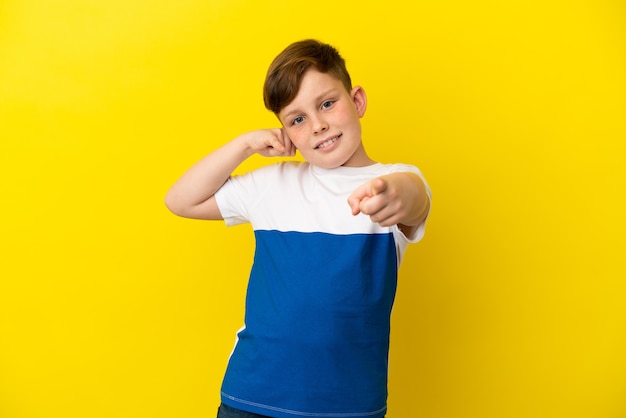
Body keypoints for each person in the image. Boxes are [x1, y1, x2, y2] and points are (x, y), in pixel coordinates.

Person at [165, 39, 431, 418]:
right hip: (251, 397)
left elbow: (414, 197)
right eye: (297, 119)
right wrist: (244, 145)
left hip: (349, 405)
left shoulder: (393, 179)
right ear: (287, 133)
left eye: (327, 104)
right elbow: (181, 200)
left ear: (356, 101)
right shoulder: (272, 184)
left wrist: (392, 194)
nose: (318, 125)